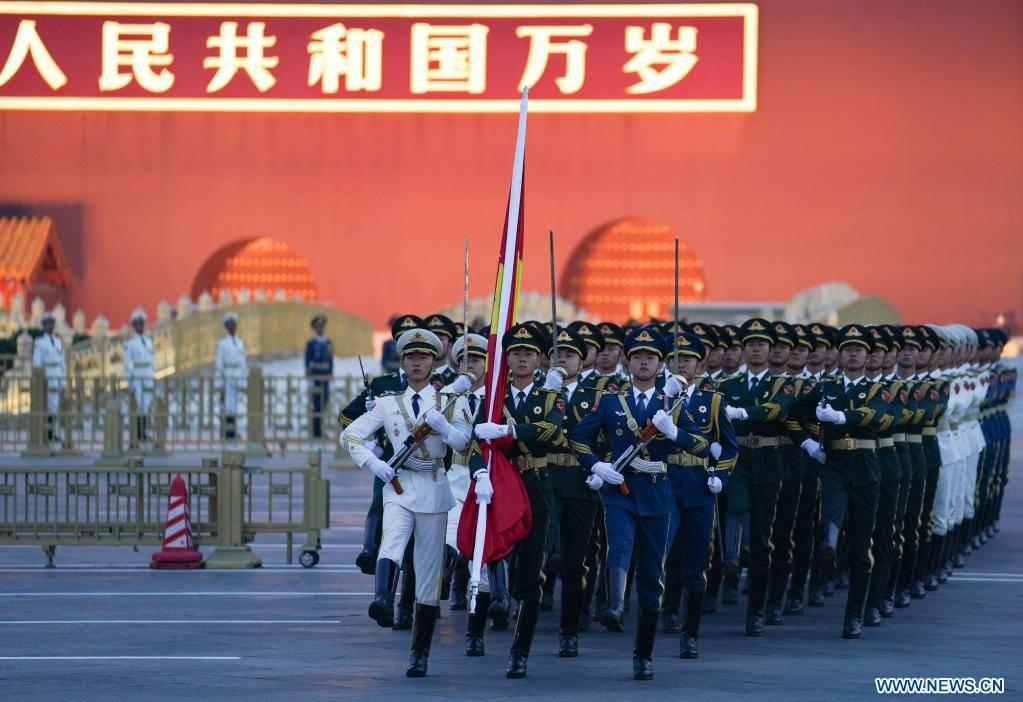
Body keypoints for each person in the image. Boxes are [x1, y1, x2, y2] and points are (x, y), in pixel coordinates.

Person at [571, 326, 712, 680]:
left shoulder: (674, 403)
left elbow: (702, 446)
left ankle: (643, 654)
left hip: (658, 492)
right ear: (627, 362)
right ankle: (615, 605)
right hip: (620, 491)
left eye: (650, 357)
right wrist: (596, 464)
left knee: (652, 574)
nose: (644, 362)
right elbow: (578, 436)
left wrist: (673, 431)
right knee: (618, 543)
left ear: (661, 364)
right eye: (637, 356)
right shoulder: (611, 401)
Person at [341, 327, 464, 678]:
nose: (416, 363)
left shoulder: (449, 401)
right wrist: (374, 462)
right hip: (398, 484)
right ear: (402, 361)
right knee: (391, 540)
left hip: (435, 486)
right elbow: (349, 435)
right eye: (410, 357)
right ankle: (382, 599)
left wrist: (445, 428)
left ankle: (420, 653)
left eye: (423, 357)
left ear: (434, 362)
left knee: (427, 575)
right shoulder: (386, 403)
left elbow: (464, 443)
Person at [464, 322, 564, 678]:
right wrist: (478, 473)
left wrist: (508, 430)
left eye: (528, 353)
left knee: (529, 575)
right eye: (515, 353)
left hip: (535, 487)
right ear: (506, 358)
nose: (522, 358)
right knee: (491, 557)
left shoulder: (550, 397)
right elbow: (476, 440)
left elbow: (551, 430)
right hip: (499, 487)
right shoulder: (492, 399)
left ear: (539, 359)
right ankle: (475, 631)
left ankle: (520, 651)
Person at [799, 324, 892, 639]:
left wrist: (841, 418)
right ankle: (829, 544)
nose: (853, 354)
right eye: (848, 349)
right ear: (839, 354)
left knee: (863, 545)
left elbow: (875, 415)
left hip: (866, 466)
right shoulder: (826, 387)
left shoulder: (879, 388)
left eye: (859, 350)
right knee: (832, 505)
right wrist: (807, 443)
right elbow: (792, 413)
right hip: (835, 463)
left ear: (867, 355)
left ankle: (855, 613)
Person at [660, 332, 738, 659]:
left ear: (699, 364)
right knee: (665, 553)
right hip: (665, 479)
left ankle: (690, 633)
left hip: (699, 484)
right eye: (676, 359)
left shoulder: (714, 399)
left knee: (695, 561)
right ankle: (666, 609)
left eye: (687, 360)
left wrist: (720, 475)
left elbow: (730, 447)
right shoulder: (659, 396)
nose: (681, 364)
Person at [716, 318, 797, 635]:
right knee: (735, 506)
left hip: (767, 461)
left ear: (770, 349)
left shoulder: (783, 383)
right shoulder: (728, 385)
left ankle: (756, 611)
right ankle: (733, 558)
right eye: (749, 344)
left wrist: (743, 413)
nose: (755, 349)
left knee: (764, 536)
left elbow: (777, 409)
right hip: (736, 458)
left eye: (761, 344)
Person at [544, 326, 604, 658]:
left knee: (576, 560)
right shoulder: (540, 391)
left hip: (582, 478)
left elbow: (601, 431)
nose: (562, 359)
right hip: (548, 475)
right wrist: (548, 392)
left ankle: (570, 629)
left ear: (581, 362)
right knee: (550, 541)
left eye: (569, 355)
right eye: (556, 354)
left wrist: (602, 467)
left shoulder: (596, 393)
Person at [123, 307, 155, 446]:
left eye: (142, 323)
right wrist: (129, 382)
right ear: (134, 325)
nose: (141, 326)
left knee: (147, 405)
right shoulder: (130, 344)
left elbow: (152, 359)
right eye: (138, 323)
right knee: (139, 405)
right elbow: (127, 364)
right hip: (138, 375)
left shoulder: (149, 341)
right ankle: (138, 433)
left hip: (147, 374)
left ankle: (144, 432)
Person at [32, 311, 65, 443]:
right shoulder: (39, 342)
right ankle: (47, 434)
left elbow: (63, 362)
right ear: (43, 326)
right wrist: (39, 378)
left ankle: (54, 433)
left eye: (52, 323)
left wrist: (63, 382)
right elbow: (37, 362)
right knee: (47, 406)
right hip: (46, 375)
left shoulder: (58, 341)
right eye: (48, 323)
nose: (50, 326)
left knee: (56, 406)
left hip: (57, 374)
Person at [214, 312, 248, 440]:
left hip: (237, 375)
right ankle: (227, 432)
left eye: (234, 324)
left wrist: (244, 382)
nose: (232, 327)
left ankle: (233, 430)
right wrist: (220, 384)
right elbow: (219, 364)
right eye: (230, 325)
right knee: (227, 406)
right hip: (227, 375)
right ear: (226, 327)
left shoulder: (240, 342)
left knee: (235, 406)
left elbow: (243, 363)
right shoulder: (222, 344)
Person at [305, 315, 333, 439]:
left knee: (324, 404)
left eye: (322, 326)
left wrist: (331, 375)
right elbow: (307, 362)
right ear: (314, 328)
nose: (320, 328)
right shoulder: (311, 344)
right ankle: (316, 432)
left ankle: (322, 429)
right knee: (316, 405)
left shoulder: (328, 343)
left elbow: (330, 362)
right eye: (318, 326)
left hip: (326, 379)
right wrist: (309, 377)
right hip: (316, 378)